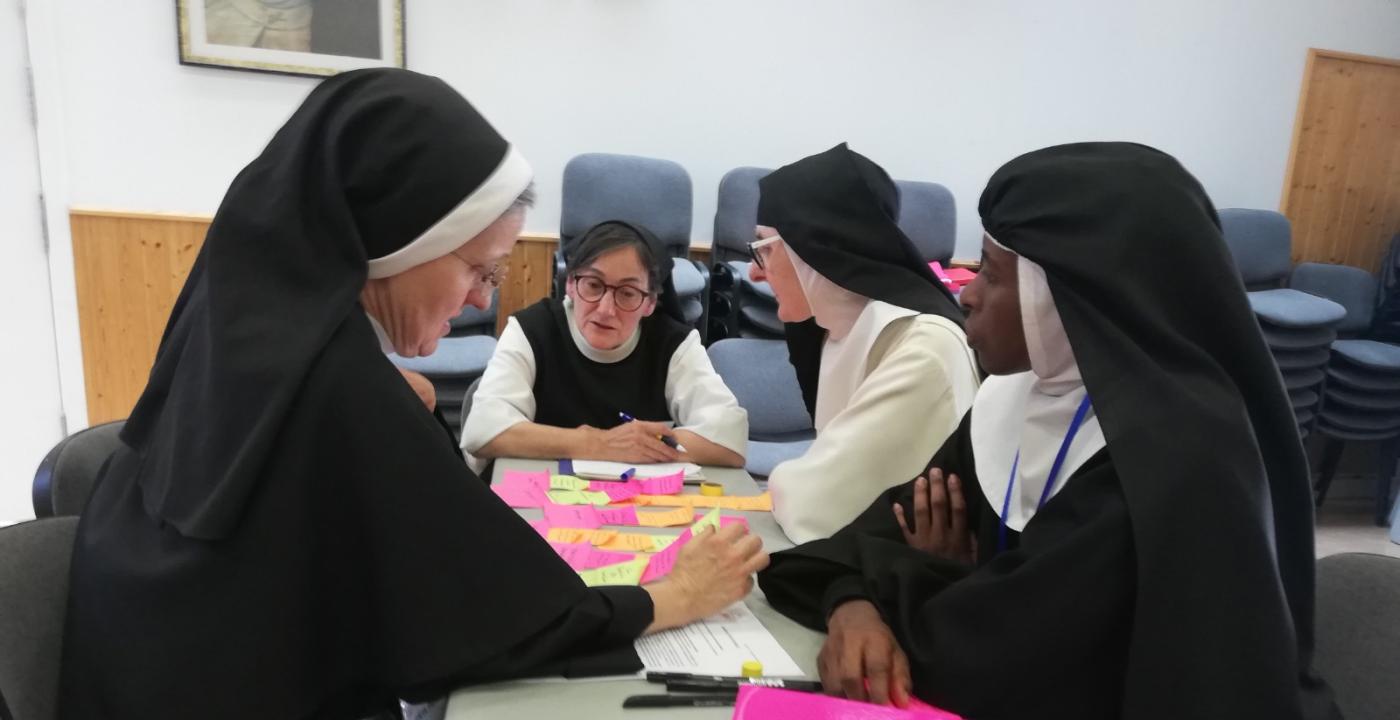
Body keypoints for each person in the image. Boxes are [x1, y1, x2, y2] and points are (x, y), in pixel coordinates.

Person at [59, 69, 767, 720]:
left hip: (131, 660)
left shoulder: (243, 308)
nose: (477, 297)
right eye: (480, 269)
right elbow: (487, 619)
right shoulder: (339, 384)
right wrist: (670, 597)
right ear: (400, 239)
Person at [756, 143, 1338, 719]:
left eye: (993, 271)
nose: (966, 292)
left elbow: (992, 660)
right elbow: (850, 548)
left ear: (1070, 296)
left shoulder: (1169, 461)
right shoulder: (1016, 396)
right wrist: (855, 602)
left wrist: (928, 579)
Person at [748, 144, 980, 543]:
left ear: (812, 249)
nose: (753, 272)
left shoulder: (923, 348)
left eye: (764, 250)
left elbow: (818, 504)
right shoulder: (842, 328)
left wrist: (790, 479)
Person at [463, 220, 747, 473]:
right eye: (593, 285)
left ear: (649, 302)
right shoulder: (532, 330)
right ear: (571, 285)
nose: (605, 309)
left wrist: (634, 444)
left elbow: (729, 440)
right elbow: (484, 431)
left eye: (627, 293)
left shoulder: (673, 344)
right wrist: (601, 444)